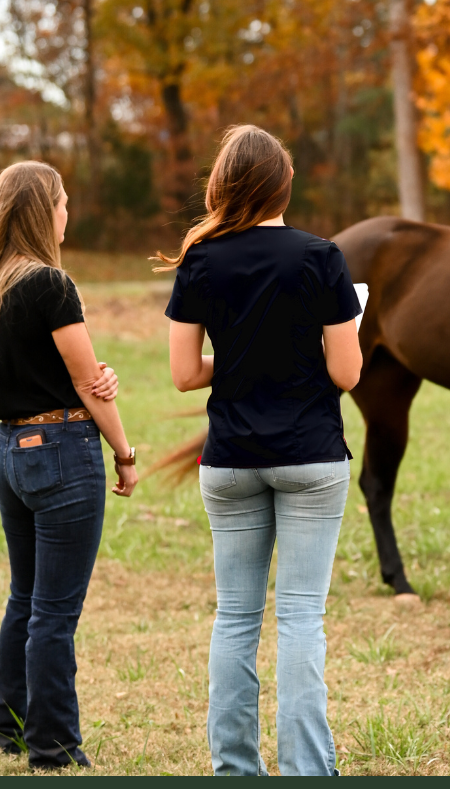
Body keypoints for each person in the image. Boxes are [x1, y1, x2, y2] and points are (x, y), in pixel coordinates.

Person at [158, 125, 362, 777]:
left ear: (222, 184)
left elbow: (184, 374)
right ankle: (306, 770)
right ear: (284, 184)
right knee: (301, 618)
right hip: (311, 456)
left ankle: (236, 769)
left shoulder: (200, 259)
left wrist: (248, 356)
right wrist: (298, 350)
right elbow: (347, 373)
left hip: (230, 460)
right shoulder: (321, 257)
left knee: (235, 619)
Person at [0, 161, 138, 769]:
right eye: (62, 202)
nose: (67, 213)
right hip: (60, 451)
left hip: (9, 451)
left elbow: (66, 371)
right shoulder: (51, 285)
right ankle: (54, 747)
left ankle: (11, 728)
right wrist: (124, 452)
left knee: (25, 597)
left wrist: (95, 377)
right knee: (54, 612)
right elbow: (87, 383)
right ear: (43, 211)